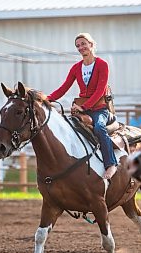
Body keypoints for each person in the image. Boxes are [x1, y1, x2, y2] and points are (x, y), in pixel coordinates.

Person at [47, 33, 118, 179]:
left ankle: (111, 164)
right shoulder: (75, 68)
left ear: (91, 44)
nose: (81, 47)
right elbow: (64, 87)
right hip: (82, 110)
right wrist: (46, 99)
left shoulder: (102, 64)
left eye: (83, 44)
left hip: (99, 109)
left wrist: (84, 107)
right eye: (78, 46)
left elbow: (100, 90)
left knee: (99, 127)